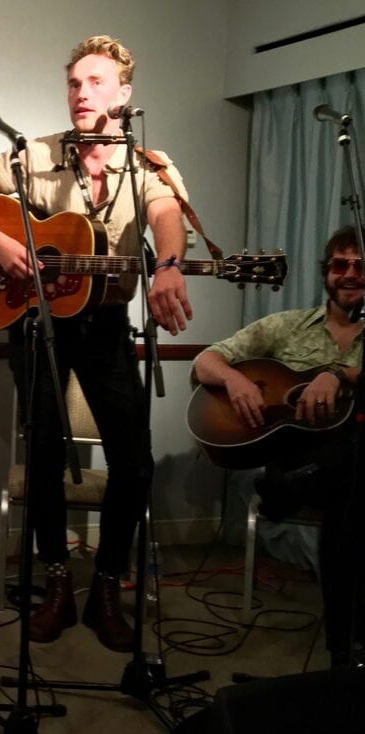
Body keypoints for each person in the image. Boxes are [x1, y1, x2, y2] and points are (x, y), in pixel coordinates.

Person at [0, 35, 192, 652]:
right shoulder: (36, 153)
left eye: (96, 83)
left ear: (123, 93)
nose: (82, 93)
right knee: (45, 454)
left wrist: (169, 265)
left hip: (105, 325)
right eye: (75, 83)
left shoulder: (148, 164)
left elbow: (165, 217)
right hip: (37, 321)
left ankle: (106, 585)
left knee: (133, 458)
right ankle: (55, 583)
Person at [193, 225, 363, 668]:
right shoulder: (287, 327)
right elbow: (205, 360)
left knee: (351, 482)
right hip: (296, 457)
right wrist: (234, 380)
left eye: (360, 267)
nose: (350, 274)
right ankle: (347, 650)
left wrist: (338, 374)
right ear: (326, 273)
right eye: (340, 265)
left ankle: (341, 653)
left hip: (330, 473)